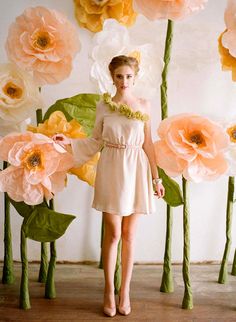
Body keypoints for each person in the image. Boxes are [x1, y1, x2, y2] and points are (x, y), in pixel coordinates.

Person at [54, 55, 165, 317]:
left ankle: (124, 292)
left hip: (136, 168)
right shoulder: (104, 106)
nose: (124, 81)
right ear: (111, 77)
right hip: (112, 167)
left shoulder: (145, 105)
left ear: (135, 77)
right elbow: (94, 142)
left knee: (129, 235)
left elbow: (148, 144)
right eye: (119, 76)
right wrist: (68, 142)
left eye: (128, 76)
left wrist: (156, 178)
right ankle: (107, 291)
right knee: (113, 233)